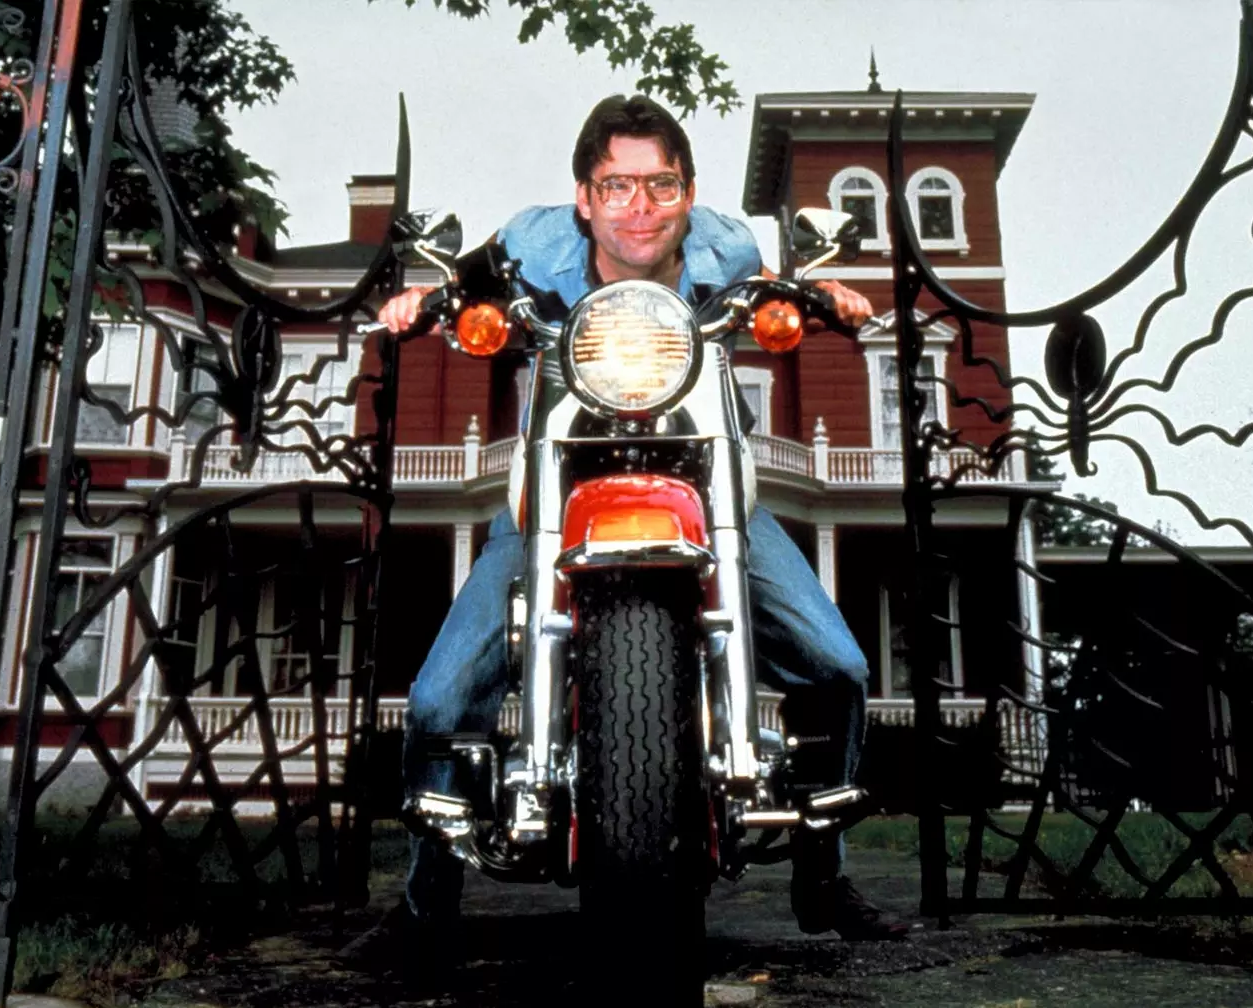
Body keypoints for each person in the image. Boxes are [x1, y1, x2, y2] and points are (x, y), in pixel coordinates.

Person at [377, 94, 907, 947]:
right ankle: (422, 903)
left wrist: (823, 293)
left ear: (689, 192)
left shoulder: (727, 245)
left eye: (661, 185)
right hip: (554, 491)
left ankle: (824, 877)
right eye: (616, 186)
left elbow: (783, 288)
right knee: (439, 701)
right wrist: (427, 300)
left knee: (839, 667)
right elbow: (466, 280)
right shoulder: (532, 240)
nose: (640, 208)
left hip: (704, 485)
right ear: (583, 196)